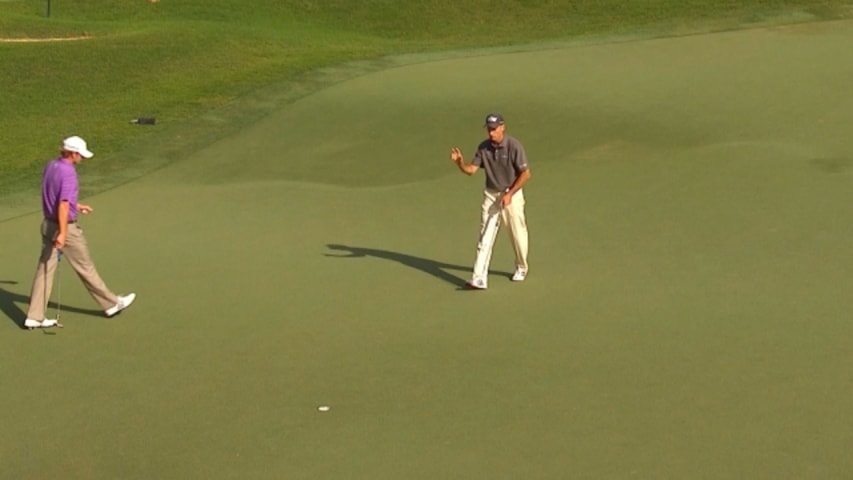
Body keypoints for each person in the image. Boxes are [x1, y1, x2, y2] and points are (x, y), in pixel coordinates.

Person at [23, 136, 136, 329]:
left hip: (47, 224)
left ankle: (34, 316)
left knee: (44, 270)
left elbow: (56, 195)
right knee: (85, 266)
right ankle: (111, 304)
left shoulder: (52, 165)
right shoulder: (69, 173)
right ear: (73, 153)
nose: (82, 159)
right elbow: (63, 204)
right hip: (64, 227)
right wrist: (63, 232)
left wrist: (77, 206)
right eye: (80, 155)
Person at [450, 113, 531, 290]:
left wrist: (509, 194)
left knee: (517, 234)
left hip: (512, 194)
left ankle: (521, 267)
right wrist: (460, 163)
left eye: (494, 129)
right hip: (491, 195)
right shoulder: (484, 147)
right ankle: (479, 278)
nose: (491, 133)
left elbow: (525, 174)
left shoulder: (514, 146)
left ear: (503, 127)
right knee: (485, 236)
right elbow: (471, 170)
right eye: (489, 129)